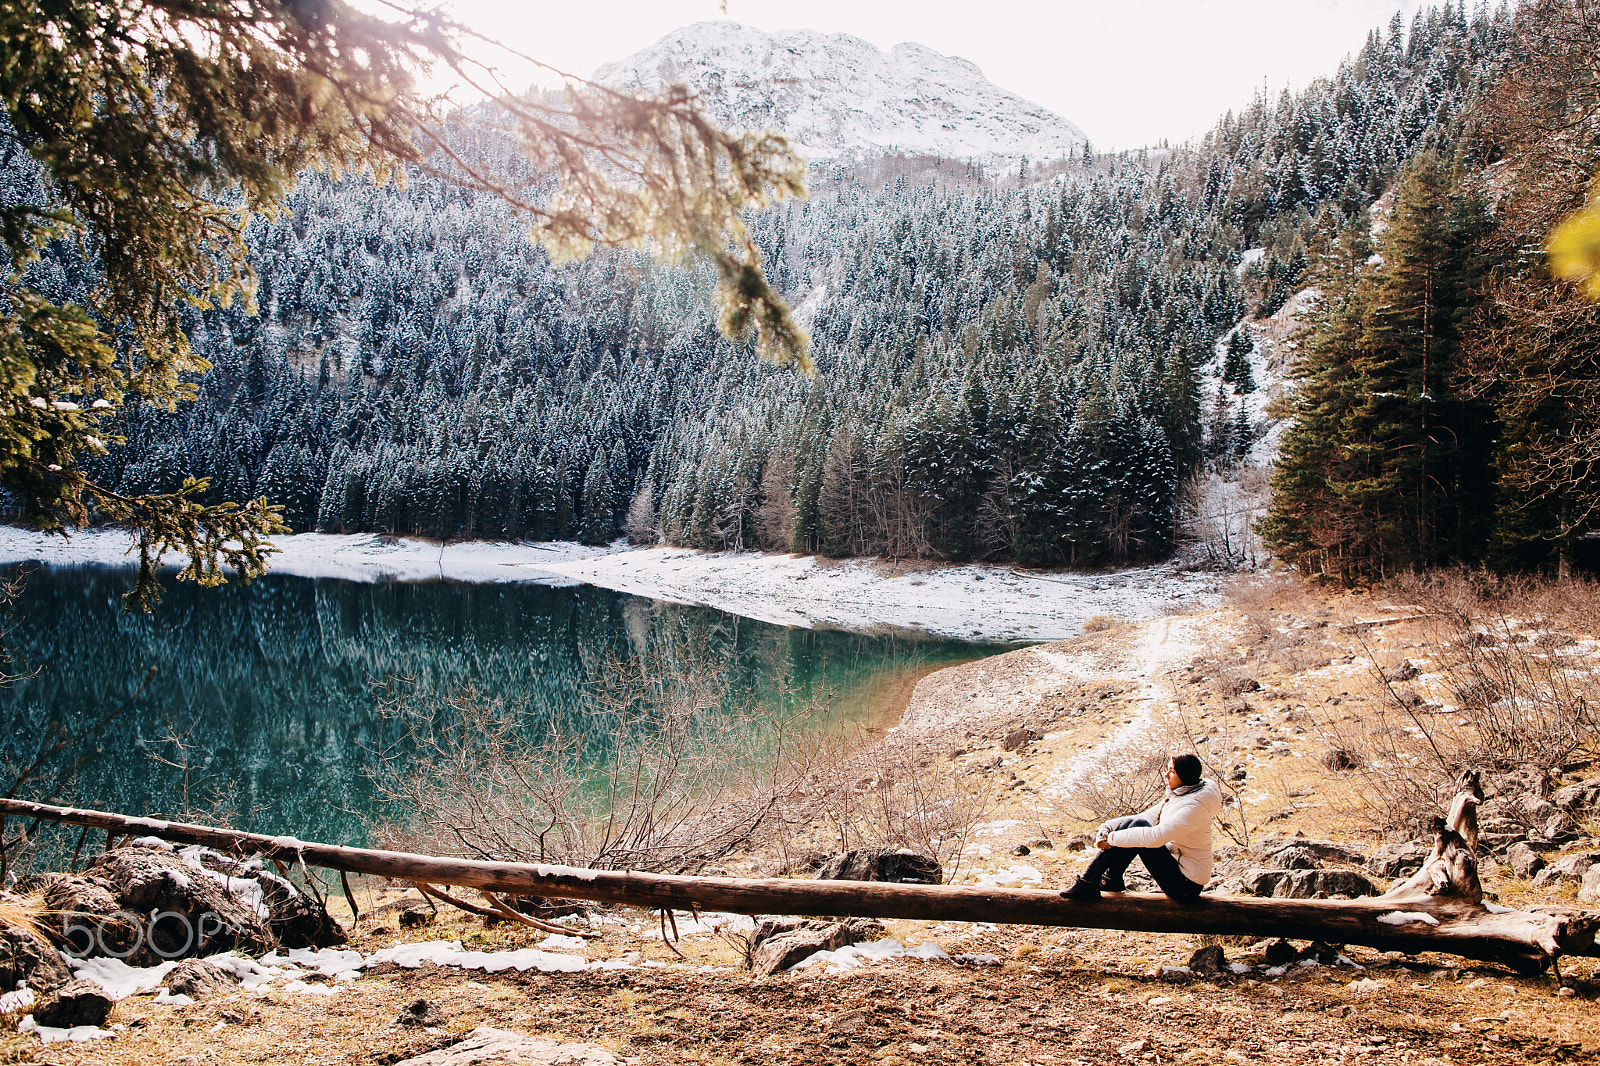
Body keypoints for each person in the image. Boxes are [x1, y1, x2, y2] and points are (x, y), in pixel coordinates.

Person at [1060, 753, 1221, 902]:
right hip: (1178, 871)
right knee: (1135, 825)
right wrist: (1107, 828)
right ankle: (1109, 879)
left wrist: (1111, 839)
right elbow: (1144, 817)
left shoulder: (1194, 808)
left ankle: (1089, 880)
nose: (1166, 775)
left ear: (1184, 776)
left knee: (1140, 831)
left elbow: (1155, 837)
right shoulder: (1184, 794)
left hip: (1186, 887)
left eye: (1171, 771)